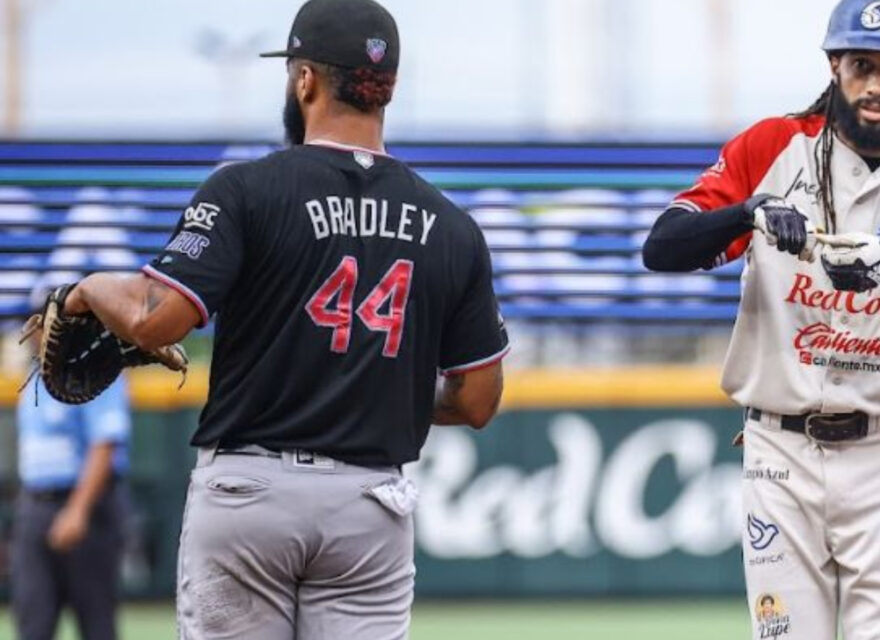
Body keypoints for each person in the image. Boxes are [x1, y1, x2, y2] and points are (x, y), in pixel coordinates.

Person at [52, 0, 508, 637]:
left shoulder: (246, 189)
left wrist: (87, 289)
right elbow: (478, 400)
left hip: (250, 494)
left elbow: (156, 319)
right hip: (369, 505)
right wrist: (377, 379)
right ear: (388, 88)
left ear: (305, 80)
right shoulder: (454, 227)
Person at [643, 1, 880, 639]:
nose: (875, 85)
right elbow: (663, 247)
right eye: (862, 64)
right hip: (781, 449)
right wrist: (746, 213)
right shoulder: (772, 146)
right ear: (835, 65)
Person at [11, 375, 131, 640]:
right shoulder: (33, 378)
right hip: (35, 505)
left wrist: (78, 510)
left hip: (86, 506)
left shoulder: (98, 370)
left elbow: (105, 443)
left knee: (96, 622)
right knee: (33, 621)